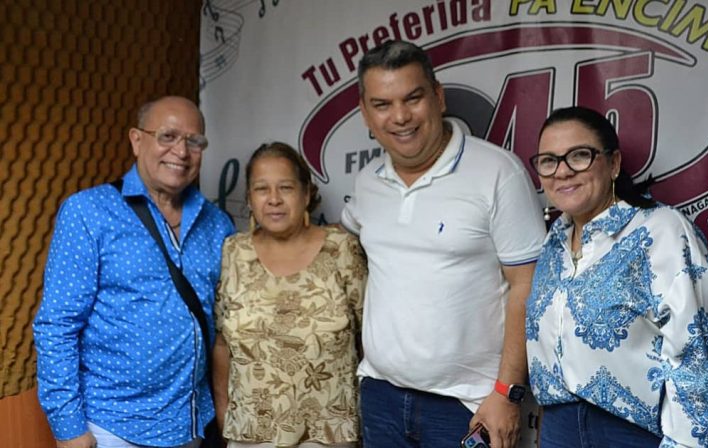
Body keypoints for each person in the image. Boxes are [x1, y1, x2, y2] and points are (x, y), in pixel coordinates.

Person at [341, 40, 546, 448]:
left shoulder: (497, 173)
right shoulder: (367, 183)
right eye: (382, 104)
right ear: (365, 113)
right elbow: (335, 239)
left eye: (412, 98)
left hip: (468, 406)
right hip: (381, 396)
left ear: (437, 96)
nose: (400, 117)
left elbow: (529, 285)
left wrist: (508, 393)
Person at [525, 106, 708, 447]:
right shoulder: (554, 241)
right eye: (548, 161)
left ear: (613, 164)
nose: (562, 172)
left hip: (633, 433)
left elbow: (696, 356)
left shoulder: (660, 230)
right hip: (559, 428)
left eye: (579, 156)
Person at [34, 96, 235, 448]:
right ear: (136, 140)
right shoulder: (87, 213)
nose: (182, 152)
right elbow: (57, 327)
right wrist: (69, 428)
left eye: (194, 141)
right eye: (167, 136)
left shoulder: (217, 225)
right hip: (112, 428)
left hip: (190, 425)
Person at [212, 142, 366, 448]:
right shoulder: (234, 252)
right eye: (261, 189)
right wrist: (225, 415)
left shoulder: (341, 250)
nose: (274, 200)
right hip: (250, 435)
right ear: (249, 199)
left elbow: (370, 342)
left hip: (328, 434)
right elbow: (222, 344)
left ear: (306, 194)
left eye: (285, 187)